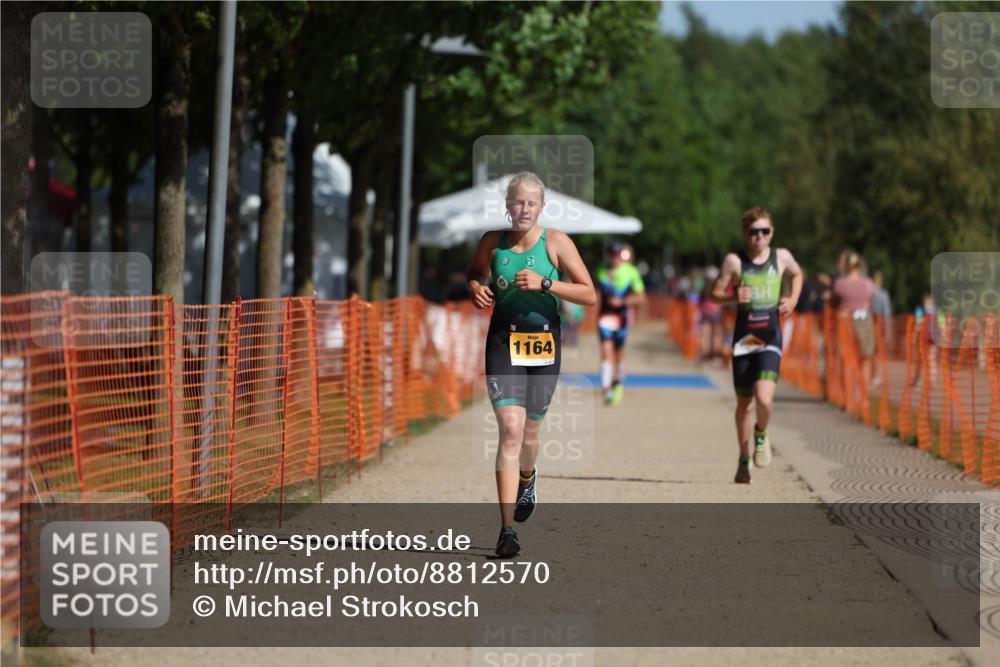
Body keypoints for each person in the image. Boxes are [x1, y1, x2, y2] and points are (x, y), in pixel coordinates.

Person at [467, 172, 596, 558]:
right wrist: (476, 288)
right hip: (503, 341)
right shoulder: (492, 242)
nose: (524, 209)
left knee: (530, 433)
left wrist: (546, 284)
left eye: (531, 203)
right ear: (508, 206)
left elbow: (588, 293)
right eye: (518, 202)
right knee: (510, 429)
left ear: (541, 207)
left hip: (543, 343)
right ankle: (507, 531)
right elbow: (475, 273)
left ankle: (528, 476)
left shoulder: (556, 242)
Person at [711, 207, 803, 484]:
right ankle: (743, 457)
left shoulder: (782, 257)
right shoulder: (734, 262)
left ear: (772, 233)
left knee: (764, 398)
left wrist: (793, 299)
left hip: (770, 336)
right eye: (754, 232)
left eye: (765, 231)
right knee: (744, 404)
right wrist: (732, 297)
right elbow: (714, 294)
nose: (759, 237)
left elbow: (797, 275)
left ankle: (761, 433)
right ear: (745, 234)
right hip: (744, 339)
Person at [595, 242, 646, 405]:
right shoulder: (601, 271)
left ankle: (618, 382)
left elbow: (641, 297)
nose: (614, 258)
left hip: (622, 318)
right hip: (604, 317)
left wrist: (623, 301)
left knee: (619, 353)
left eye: (617, 254)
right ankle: (606, 387)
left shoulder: (631, 272)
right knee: (605, 349)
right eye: (612, 254)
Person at [830, 251, 876, 390]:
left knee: (847, 359)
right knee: (865, 358)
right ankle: (863, 394)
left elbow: (833, 301)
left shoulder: (840, 284)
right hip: (864, 319)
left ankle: (848, 395)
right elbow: (871, 299)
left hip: (846, 322)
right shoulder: (868, 283)